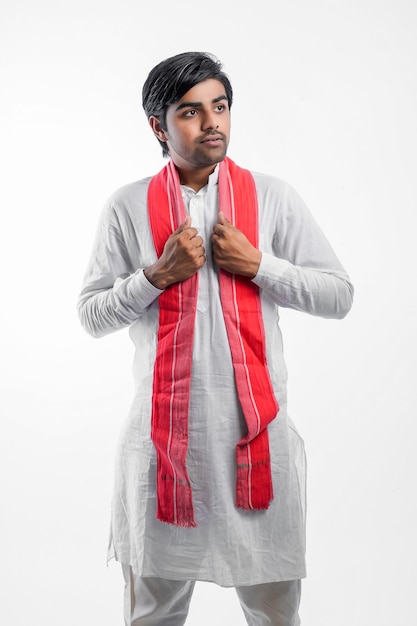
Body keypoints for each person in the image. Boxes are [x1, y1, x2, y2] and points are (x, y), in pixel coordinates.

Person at [78, 51, 354, 626]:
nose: (212, 123)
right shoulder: (127, 206)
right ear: (159, 126)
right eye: (191, 111)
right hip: (162, 453)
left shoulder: (273, 196)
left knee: (276, 616)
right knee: (152, 616)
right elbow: (92, 315)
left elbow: (338, 295)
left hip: (257, 448)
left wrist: (260, 266)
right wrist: (155, 276)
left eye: (220, 107)